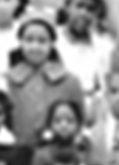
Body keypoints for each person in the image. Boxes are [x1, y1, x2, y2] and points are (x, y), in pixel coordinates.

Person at [6, 17, 88, 147]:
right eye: (29, 40)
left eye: (42, 41)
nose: (35, 46)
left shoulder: (70, 81)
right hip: (18, 149)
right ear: (20, 42)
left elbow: (80, 120)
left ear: (52, 44)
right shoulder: (8, 81)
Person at [55, 0, 115, 103]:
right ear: (67, 6)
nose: (83, 13)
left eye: (90, 9)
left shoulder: (105, 48)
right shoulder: (52, 42)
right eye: (79, 6)